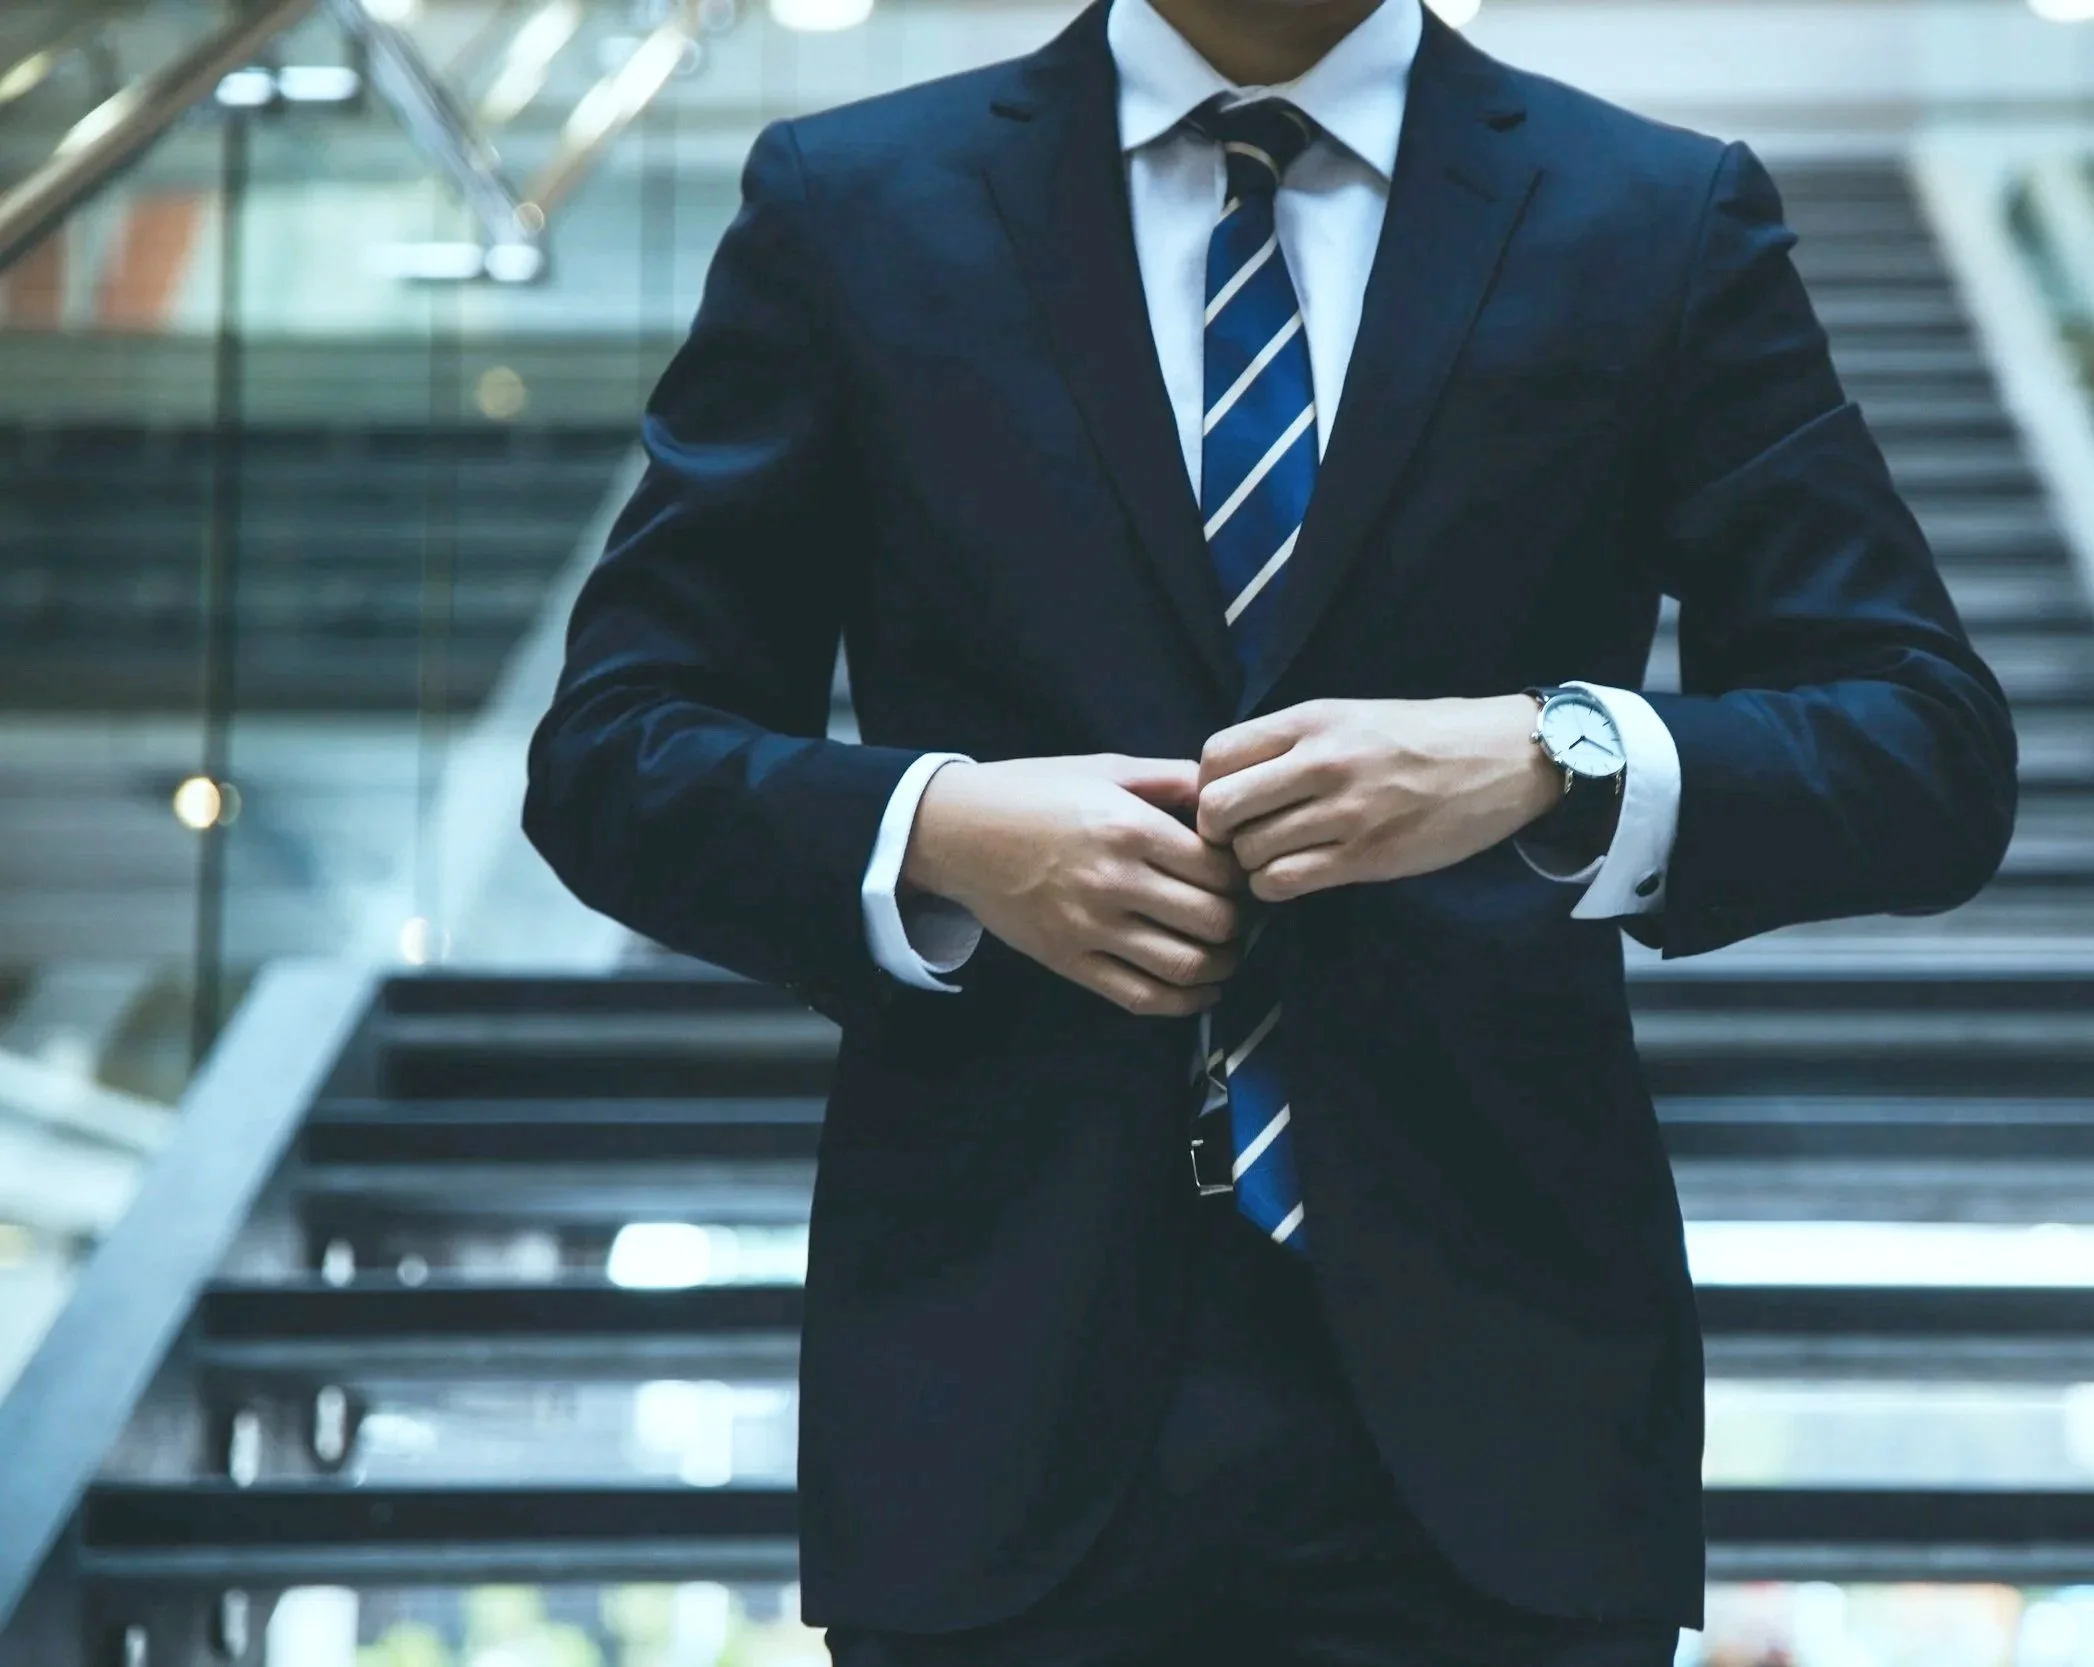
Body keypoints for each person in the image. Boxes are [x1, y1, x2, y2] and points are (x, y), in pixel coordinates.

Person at [522, 0, 2017, 1659]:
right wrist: (938, 825)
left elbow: (1924, 747)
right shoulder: (854, 202)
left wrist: (1551, 752)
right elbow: (612, 751)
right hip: (994, 1398)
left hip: (1501, 1415)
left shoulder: (1654, 213)